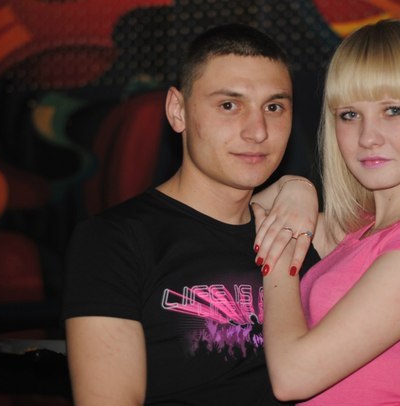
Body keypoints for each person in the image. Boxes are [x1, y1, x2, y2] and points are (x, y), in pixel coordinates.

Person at [62, 24, 319, 405]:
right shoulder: (114, 240)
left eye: (274, 107)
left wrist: (300, 186)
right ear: (177, 111)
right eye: (229, 105)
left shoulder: (301, 233)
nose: (258, 131)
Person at [251, 19, 400, 405]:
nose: (367, 137)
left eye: (393, 110)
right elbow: (242, 214)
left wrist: (276, 258)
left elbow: (293, 376)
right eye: (349, 114)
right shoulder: (362, 230)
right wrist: (296, 187)